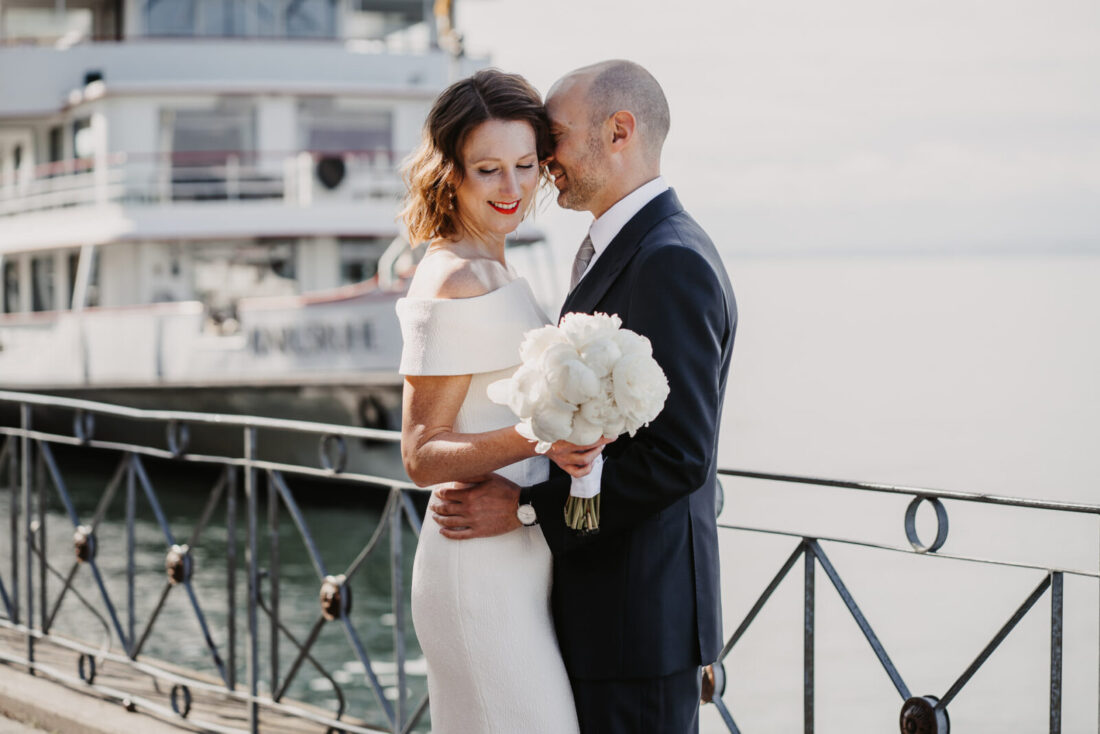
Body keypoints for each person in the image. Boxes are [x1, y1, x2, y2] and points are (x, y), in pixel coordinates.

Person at [430, 60, 738, 733]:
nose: (544, 159)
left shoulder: (668, 259)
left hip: (638, 616)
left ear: (619, 132)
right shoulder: (622, 247)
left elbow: (677, 457)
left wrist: (527, 512)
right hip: (604, 608)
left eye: (555, 137)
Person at [395, 69, 605, 733]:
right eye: (489, 169)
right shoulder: (456, 274)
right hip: (474, 568)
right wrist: (541, 438)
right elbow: (421, 455)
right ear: (449, 172)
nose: (512, 189)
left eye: (525, 165)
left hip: (515, 556)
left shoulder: (494, 265)